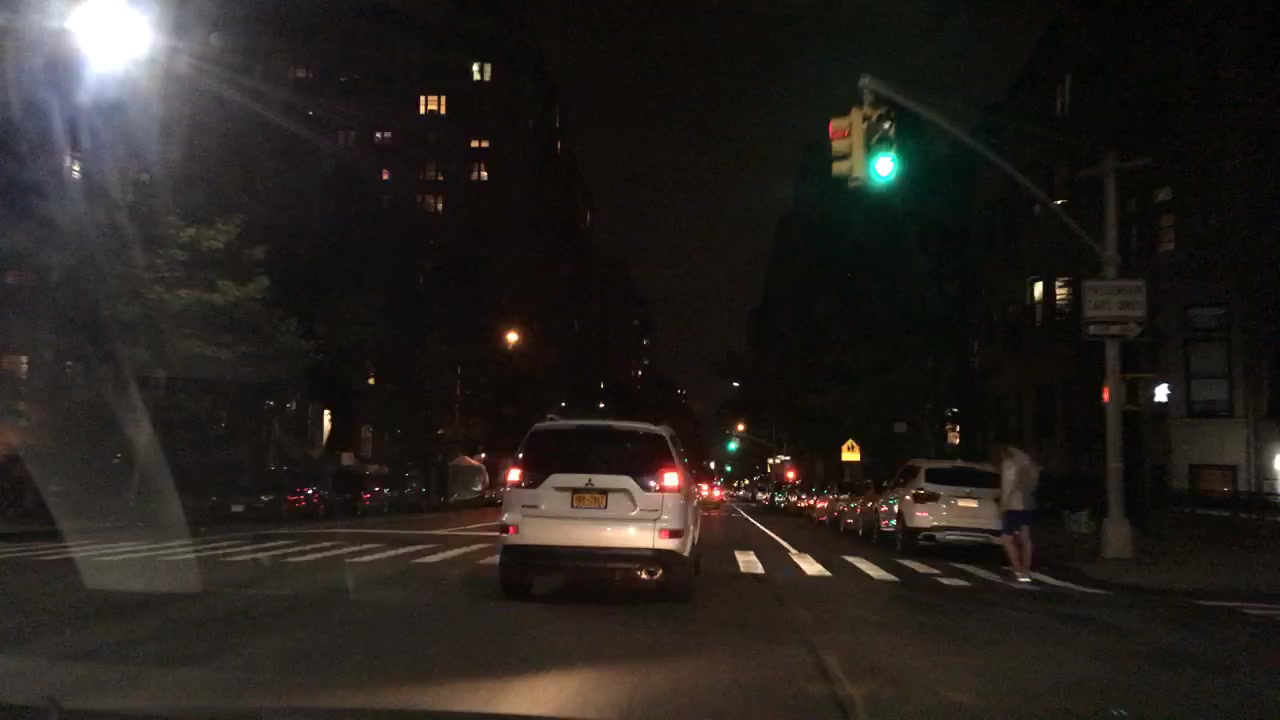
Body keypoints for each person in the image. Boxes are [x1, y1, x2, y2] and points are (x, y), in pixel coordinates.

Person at [997, 444, 1040, 583]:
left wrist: (1003, 506)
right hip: (1028, 505)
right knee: (1026, 538)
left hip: (1013, 505)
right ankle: (1026, 571)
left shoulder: (1009, 464)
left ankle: (1017, 569)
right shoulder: (1031, 465)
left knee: (1007, 539)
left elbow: (1007, 486)